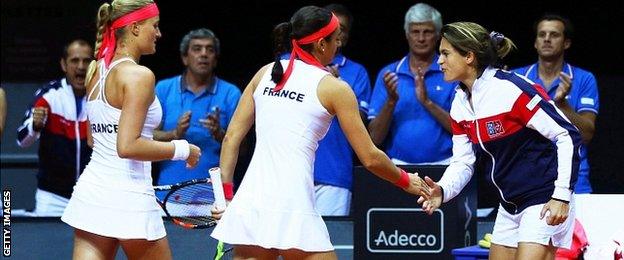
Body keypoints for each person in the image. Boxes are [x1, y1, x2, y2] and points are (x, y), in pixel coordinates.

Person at [210, 6, 429, 259]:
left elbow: (231, 138)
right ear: (321, 44)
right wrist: (405, 180)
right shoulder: (335, 88)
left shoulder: (264, 73)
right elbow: (369, 156)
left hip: (251, 203)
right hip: (293, 204)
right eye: (335, 38)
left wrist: (225, 197)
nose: (339, 44)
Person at [419, 22, 582, 259]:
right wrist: (442, 190)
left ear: (469, 57)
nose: (439, 62)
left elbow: (567, 134)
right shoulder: (459, 104)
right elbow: (463, 163)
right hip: (509, 204)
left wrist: (561, 196)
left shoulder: (512, 89)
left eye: (445, 54)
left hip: (543, 198)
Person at [60, 1, 200, 259]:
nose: (158, 34)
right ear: (135, 27)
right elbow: (127, 146)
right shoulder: (139, 75)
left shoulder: (95, 71)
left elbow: (95, 139)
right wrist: (183, 149)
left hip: (93, 194)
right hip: (129, 196)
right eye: (154, 26)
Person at [513, 14, 599, 194]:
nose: (546, 39)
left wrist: (562, 105)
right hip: (527, 183)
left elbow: (587, 134)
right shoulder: (516, 79)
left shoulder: (584, 79)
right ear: (535, 42)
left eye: (554, 35)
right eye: (541, 34)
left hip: (574, 181)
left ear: (566, 43)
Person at [153, 28, 241, 193]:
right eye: (197, 49)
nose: (204, 54)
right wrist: (174, 134)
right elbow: (147, 137)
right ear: (185, 58)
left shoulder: (231, 93)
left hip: (213, 193)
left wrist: (221, 134)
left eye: (210, 49)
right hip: (168, 192)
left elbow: (243, 149)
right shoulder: (163, 89)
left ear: (215, 60)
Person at [368, 3, 456, 165]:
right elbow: (374, 138)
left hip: (446, 165)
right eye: (415, 32)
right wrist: (391, 101)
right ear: (407, 34)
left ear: (438, 35)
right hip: (398, 167)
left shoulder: (452, 71)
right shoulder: (388, 74)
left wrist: (427, 102)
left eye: (427, 32)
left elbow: (464, 131)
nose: (421, 38)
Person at [16, 39, 94, 216]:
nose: (81, 66)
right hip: (53, 197)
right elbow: (21, 140)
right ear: (64, 64)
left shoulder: (103, 96)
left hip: (92, 196)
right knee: (47, 243)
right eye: (75, 60)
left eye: (87, 61)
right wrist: (35, 126)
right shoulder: (49, 95)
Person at [310, 3, 371, 216]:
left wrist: (338, 87)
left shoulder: (356, 72)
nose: (335, 32)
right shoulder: (290, 66)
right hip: (291, 173)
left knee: (330, 243)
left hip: (334, 174)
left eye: (341, 29)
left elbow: (363, 122)